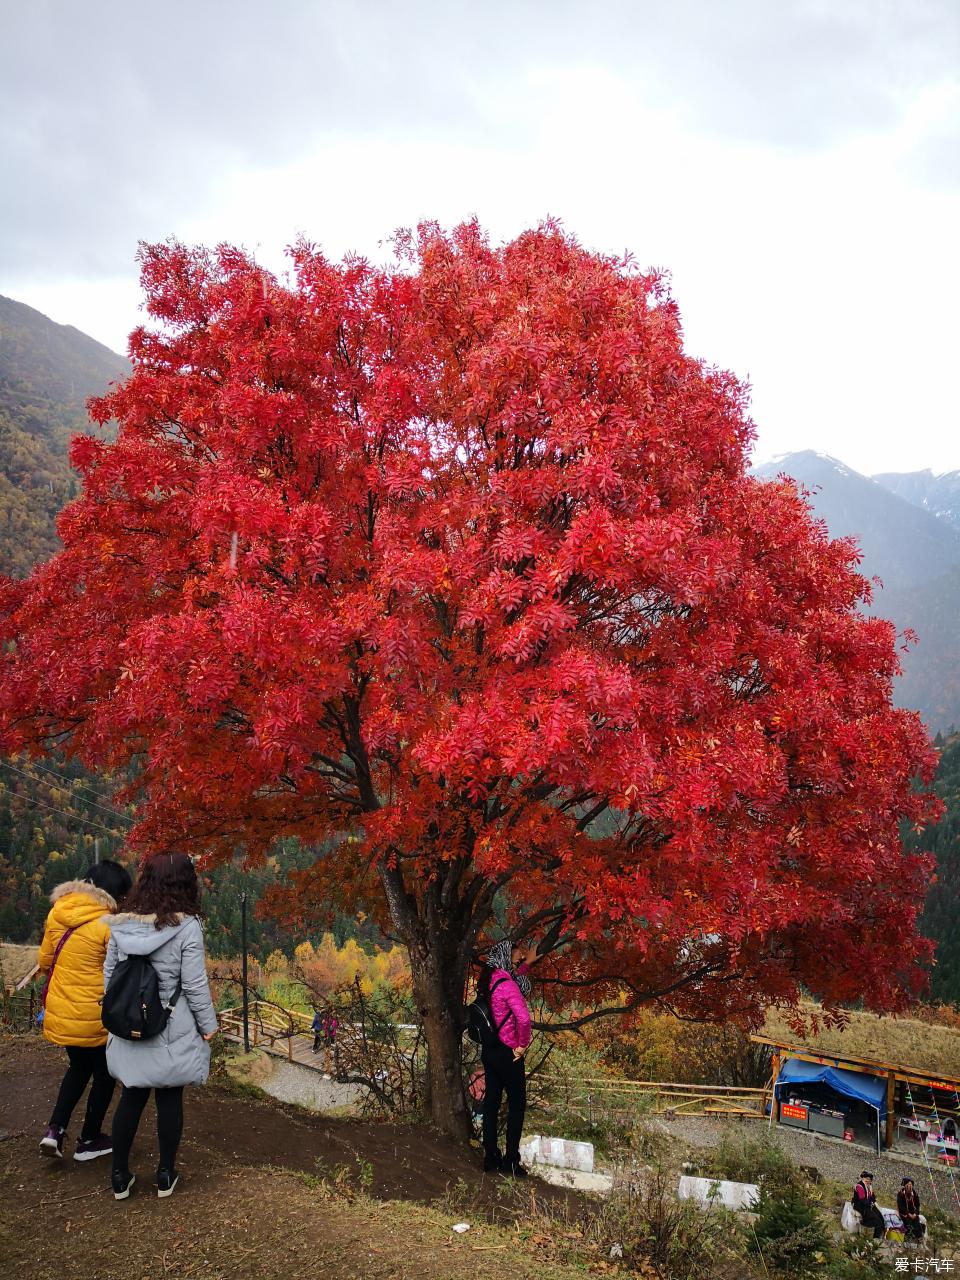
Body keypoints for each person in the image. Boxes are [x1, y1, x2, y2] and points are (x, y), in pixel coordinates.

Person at [104, 852, 218, 1201]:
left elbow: (110, 976)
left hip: (130, 1024)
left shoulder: (122, 924)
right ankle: (166, 1173)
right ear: (186, 884)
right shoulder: (187, 927)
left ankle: (120, 1176)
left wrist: (119, 1015)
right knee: (169, 1098)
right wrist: (208, 1026)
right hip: (170, 1026)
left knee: (131, 1097)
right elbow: (195, 984)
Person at [37, 862, 133, 1162]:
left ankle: (55, 1131)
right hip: (94, 1015)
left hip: (63, 1010)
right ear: (113, 892)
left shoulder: (58, 912)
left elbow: (44, 961)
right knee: (105, 1074)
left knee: (78, 1067)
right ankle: (89, 1138)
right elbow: (120, 971)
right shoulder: (107, 923)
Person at [480, 938, 537, 1177]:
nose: (519, 955)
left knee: (491, 1104)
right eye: (515, 953)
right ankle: (511, 1161)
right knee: (516, 1106)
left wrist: (526, 965)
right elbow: (523, 1019)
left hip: (490, 1049)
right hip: (508, 1052)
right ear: (505, 955)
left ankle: (490, 1156)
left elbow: (516, 980)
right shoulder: (508, 985)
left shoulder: (489, 981)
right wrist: (521, 1046)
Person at [851, 1171, 885, 1239]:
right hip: (860, 1205)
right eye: (866, 1178)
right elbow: (862, 1200)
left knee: (880, 1217)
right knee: (874, 1219)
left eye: (869, 1179)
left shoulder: (869, 1186)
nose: (867, 1180)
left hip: (869, 1205)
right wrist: (870, 1204)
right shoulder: (859, 1186)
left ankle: (879, 1234)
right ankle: (874, 1236)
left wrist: (872, 1202)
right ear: (863, 1178)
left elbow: (872, 1197)